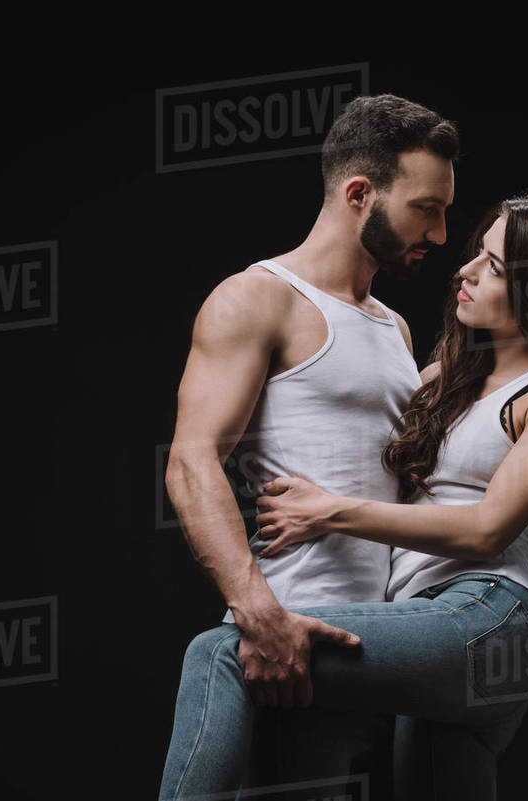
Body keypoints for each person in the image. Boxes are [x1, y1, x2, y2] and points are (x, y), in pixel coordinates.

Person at [158, 190, 528, 801]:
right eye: (478, 254)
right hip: (417, 622)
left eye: (495, 267)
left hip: (485, 616)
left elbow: (486, 530)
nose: (467, 269)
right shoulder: (442, 378)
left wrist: (330, 513)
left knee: (222, 652)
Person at [160, 93, 459, 796]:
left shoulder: (394, 328)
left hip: (378, 655)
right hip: (287, 653)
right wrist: (256, 613)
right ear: (360, 193)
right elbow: (189, 458)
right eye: (427, 208)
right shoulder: (258, 297)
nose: (442, 233)